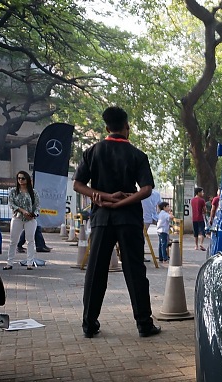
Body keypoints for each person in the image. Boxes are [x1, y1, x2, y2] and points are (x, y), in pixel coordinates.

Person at [73, 106, 161, 338]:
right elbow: (146, 189)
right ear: (126, 127)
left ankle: (89, 325)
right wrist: (122, 201)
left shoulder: (92, 152)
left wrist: (102, 196)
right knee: (135, 271)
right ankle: (144, 324)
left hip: (101, 218)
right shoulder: (137, 155)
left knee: (96, 271)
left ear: (106, 127)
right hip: (129, 219)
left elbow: (78, 184)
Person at [3, 171, 40, 270]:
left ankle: (29, 263)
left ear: (27, 179)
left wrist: (33, 214)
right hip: (17, 218)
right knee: (13, 241)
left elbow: (37, 206)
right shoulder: (13, 191)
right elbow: (11, 204)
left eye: (23, 178)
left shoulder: (33, 192)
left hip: (30, 219)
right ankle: (9, 263)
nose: (20, 180)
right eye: (19, 178)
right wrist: (22, 211)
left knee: (30, 241)